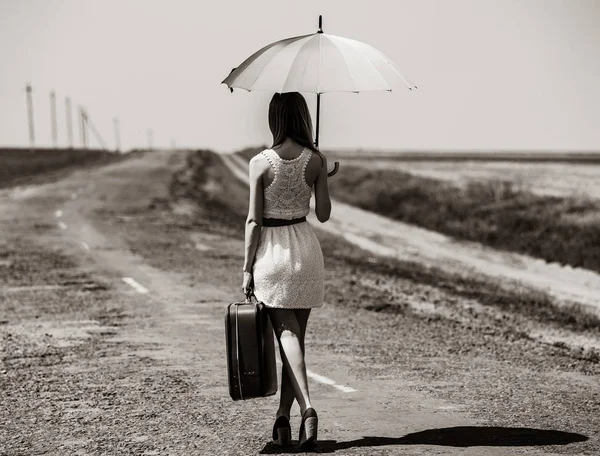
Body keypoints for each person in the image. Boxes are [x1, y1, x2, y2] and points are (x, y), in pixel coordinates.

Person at [241, 92, 331, 450]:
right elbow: (322, 214)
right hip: (306, 250)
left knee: (287, 338)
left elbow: (253, 221)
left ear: (274, 118)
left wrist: (246, 268)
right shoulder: (316, 160)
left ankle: (307, 408)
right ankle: (282, 419)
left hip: (273, 254)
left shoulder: (259, 163)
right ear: (303, 118)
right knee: (295, 341)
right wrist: (324, 174)